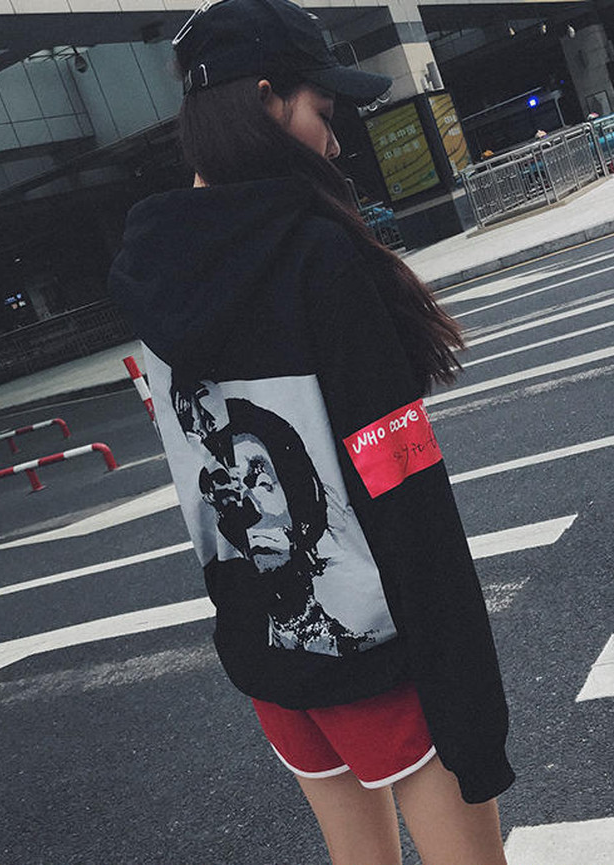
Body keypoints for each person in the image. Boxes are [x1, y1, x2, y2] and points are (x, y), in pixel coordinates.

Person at [108, 0, 515, 861]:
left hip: (263, 640)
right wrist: (471, 702)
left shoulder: (147, 270)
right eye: (322, 113)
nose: (333, 144)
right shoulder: (317, 259)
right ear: (266, 99)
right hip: (376, 646)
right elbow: (406, 494)